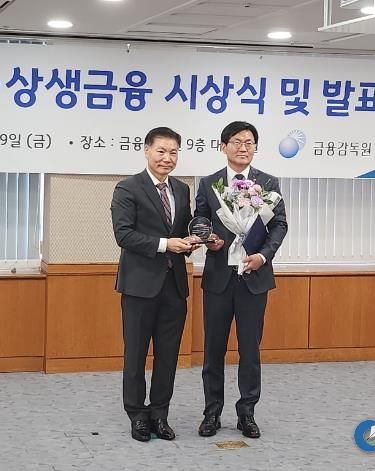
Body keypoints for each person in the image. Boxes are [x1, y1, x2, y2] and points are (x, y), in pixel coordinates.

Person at [194, 121, 288, 439]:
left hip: (254, 277)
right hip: (219, 278)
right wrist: (208, 239)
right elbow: (201, 219)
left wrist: (263, 255)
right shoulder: (210, 183)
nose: (243, 147)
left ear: (255, 148)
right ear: (223, 146)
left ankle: (247, 413)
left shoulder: (268, 182)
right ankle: (211, 413)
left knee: (250, 350)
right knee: (213, 349)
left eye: (249, 142)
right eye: (236, 141)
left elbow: (279, 225)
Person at [111, 126, 195, 442]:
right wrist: (165, 244)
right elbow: (124, 235)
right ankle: (137, 415)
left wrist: (195, 240)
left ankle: (160, 414)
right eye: (161, 151)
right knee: (135, 355)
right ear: (147, 150)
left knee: (168, 355)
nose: (167, 158)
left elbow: (183, 230)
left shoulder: (182, 190)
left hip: (174, 286)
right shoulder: (127, 188)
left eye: (173, 152)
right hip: (139, 286)